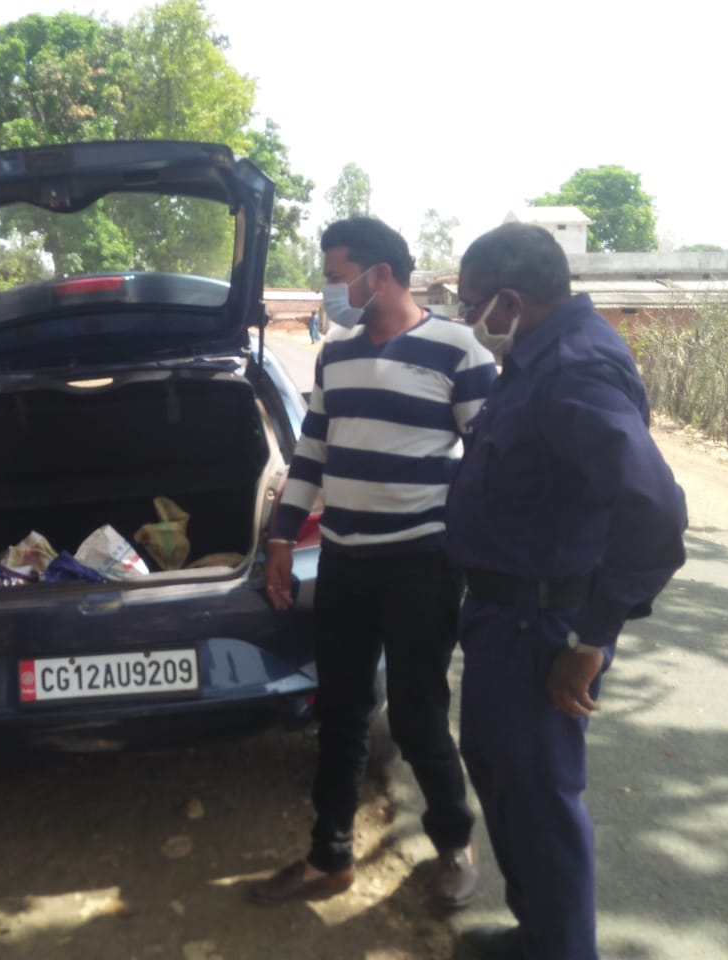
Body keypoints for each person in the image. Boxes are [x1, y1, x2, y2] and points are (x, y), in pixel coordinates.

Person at [446, 223, 687, 960]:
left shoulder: (574, 369)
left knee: (541, 806)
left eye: (470, 304)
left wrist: (591, 642)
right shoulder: (535, 358)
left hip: (541, 630)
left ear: (510, 301)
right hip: (503, 619)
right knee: (503, 784)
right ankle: (538, 936)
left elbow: (653, 511)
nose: (466, 319)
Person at [252, 216, 497, 909]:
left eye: (335, 277)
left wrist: (477, 559)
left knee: (418, 716)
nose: (329, 292)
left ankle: (454, 844)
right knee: (340, 712)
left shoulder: (459, 350)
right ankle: (329, 857)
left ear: (378, 275)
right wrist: (281, 536)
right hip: (344, 564)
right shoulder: (337, 353)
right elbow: (313, 452)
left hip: (422, 565)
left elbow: (488, 463)